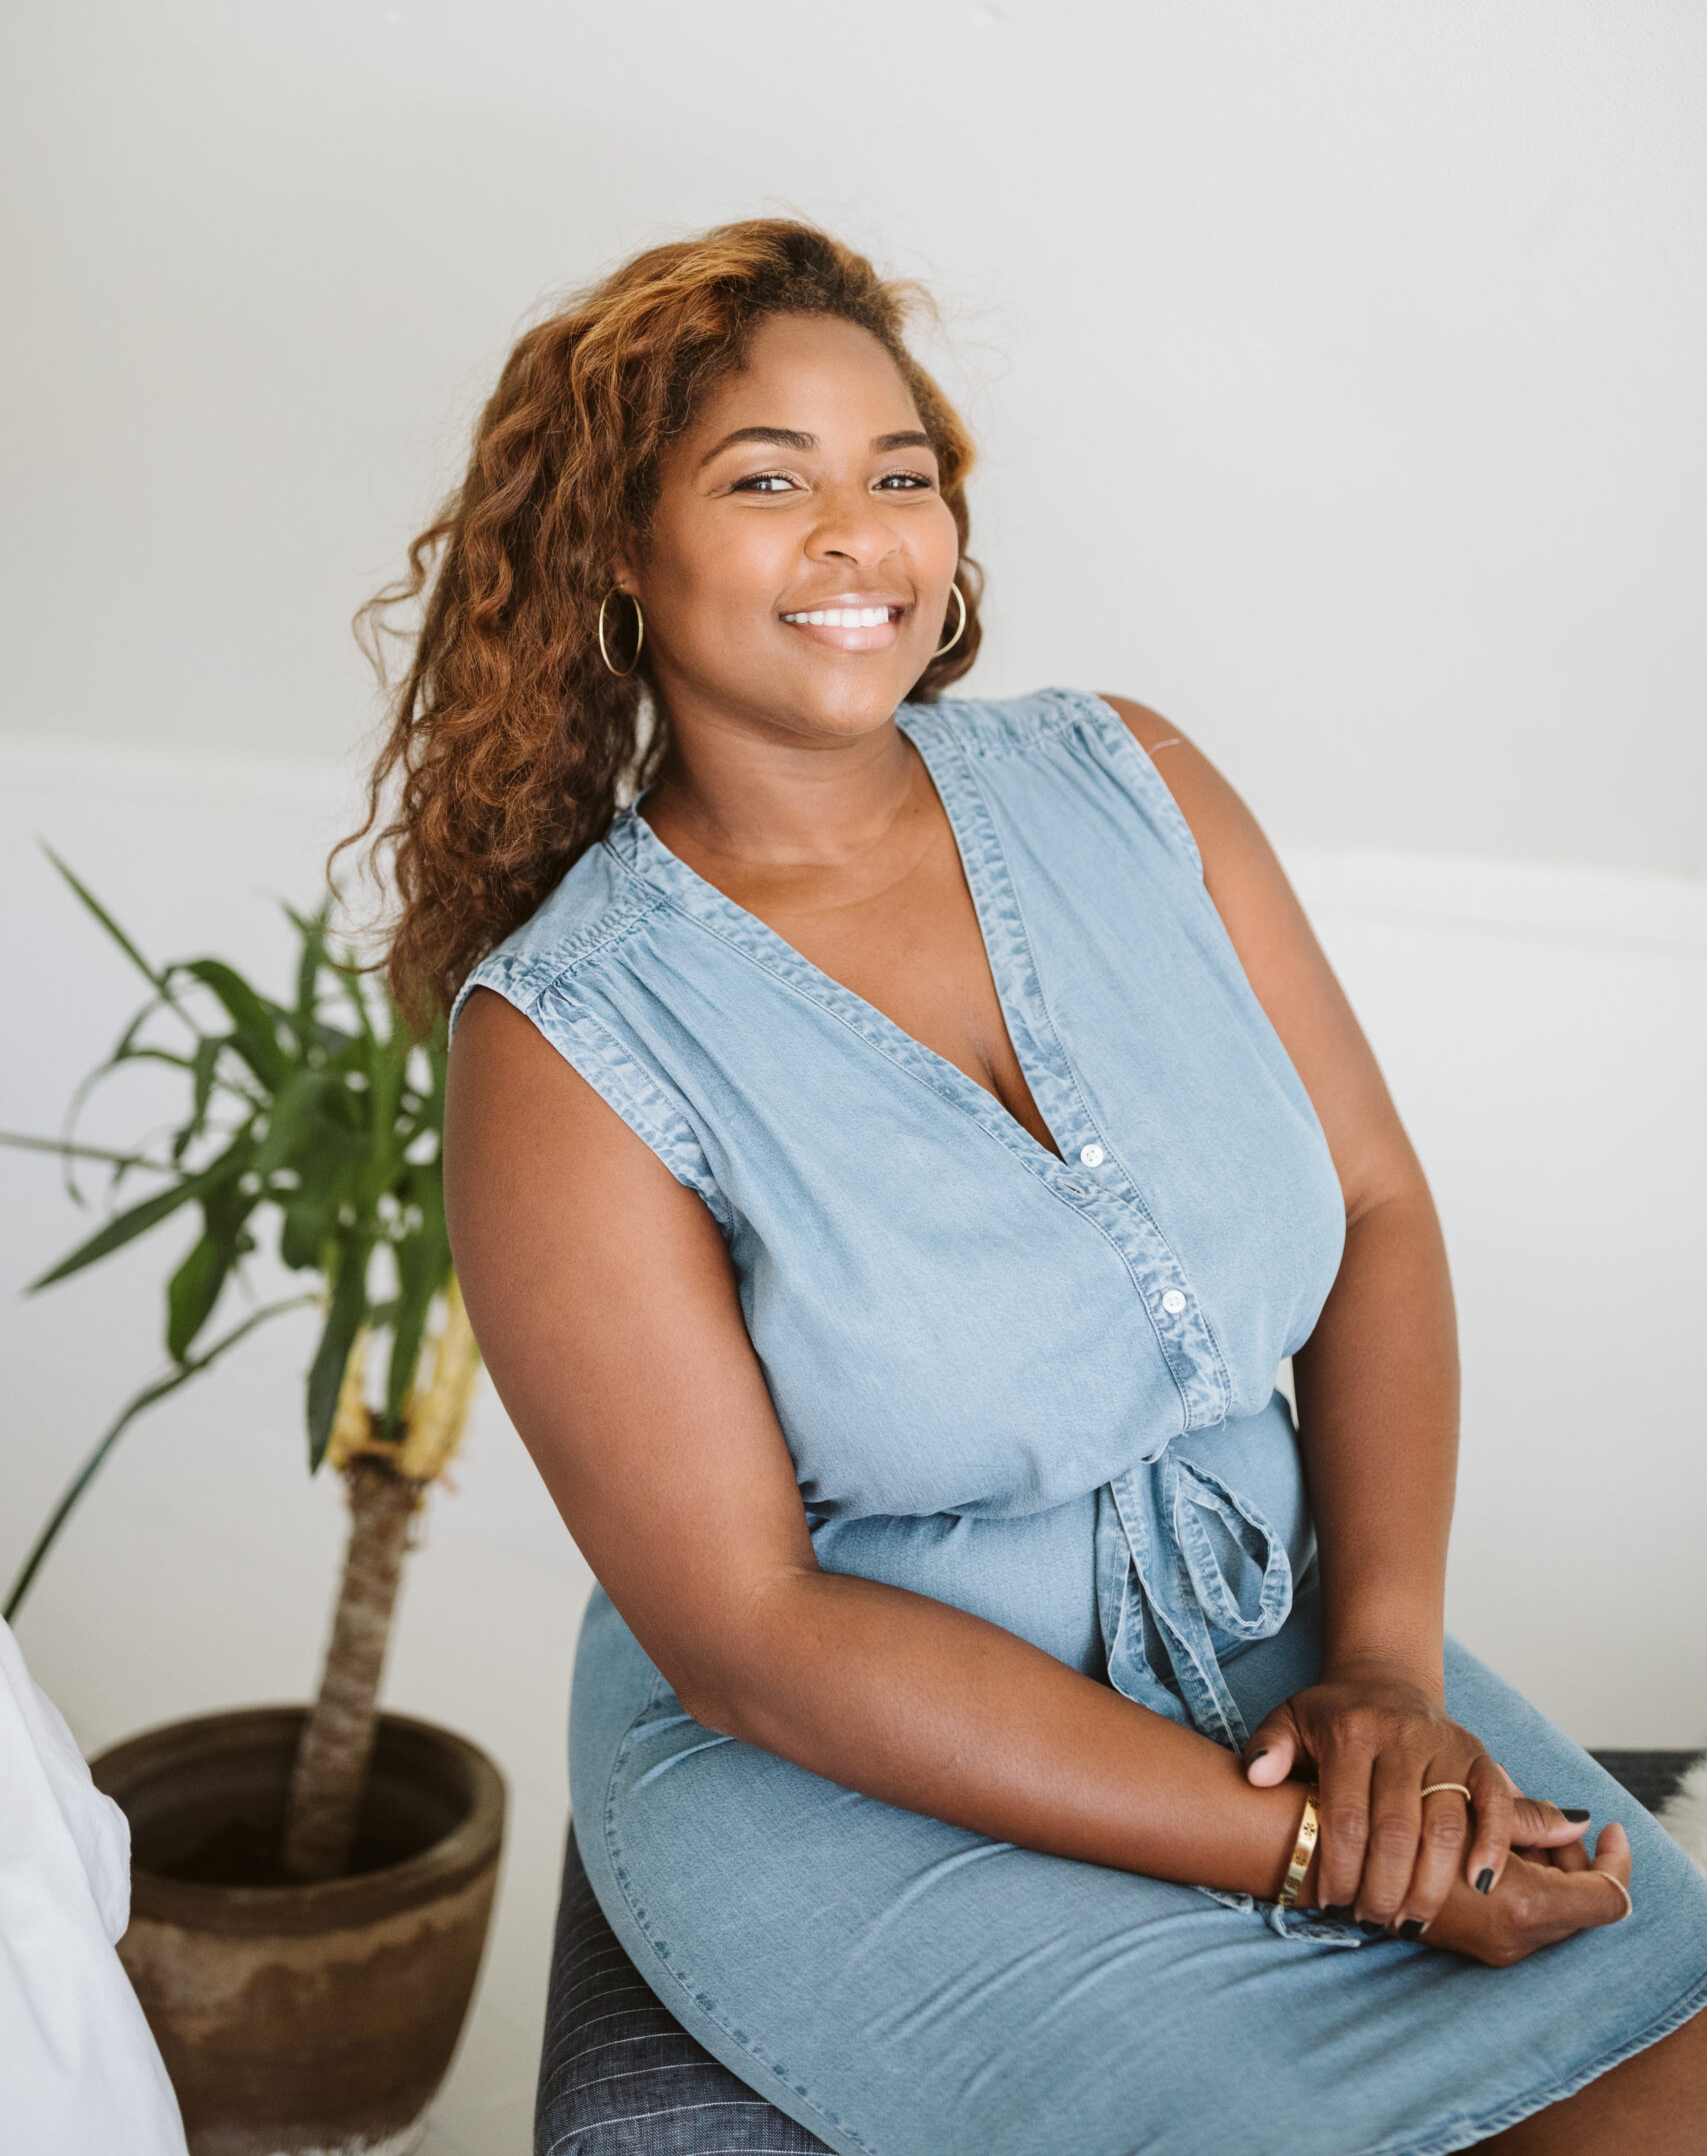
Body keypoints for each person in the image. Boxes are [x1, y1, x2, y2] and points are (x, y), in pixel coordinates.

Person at [363, 221, 1707, 2154]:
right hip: (870, 1781)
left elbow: (1378, 1211)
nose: (860, 537)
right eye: (769, 481)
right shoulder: (563, 1043)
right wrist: (1329, 1850)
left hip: (1283, 1653)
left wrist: (1389, 1671)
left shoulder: (1134, 779)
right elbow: (755, 1635)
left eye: (900, 475)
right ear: (617, 556)